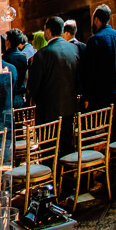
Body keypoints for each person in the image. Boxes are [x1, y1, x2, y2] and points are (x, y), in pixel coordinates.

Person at [27, 16, 80, 154]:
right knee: (67, 147)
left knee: (49, 150)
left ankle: (52, 174)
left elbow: (33, 86)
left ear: (48, 31)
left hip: (48, 112)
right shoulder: (74, 49)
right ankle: (68, 174)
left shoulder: (42, 54)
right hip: (70, 108)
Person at [82, 4, 116, 114]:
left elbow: (89, 70)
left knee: (100, 127)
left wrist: (87, 96)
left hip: (101, 95)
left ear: (96, 20)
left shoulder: (94, 40)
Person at [2, 29, 29, 108]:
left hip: (9, 95)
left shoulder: (5, 58)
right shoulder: (23, 57)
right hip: (20, 94)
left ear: (8, 41)